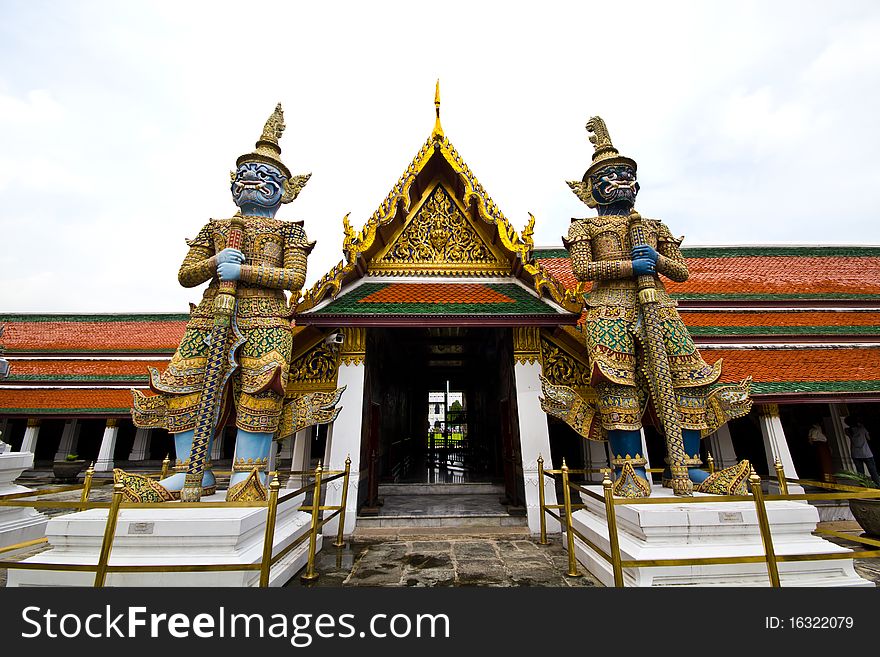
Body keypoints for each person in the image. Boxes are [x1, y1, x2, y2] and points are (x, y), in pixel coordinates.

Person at [557, 116, 751, 497]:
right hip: (608, 308)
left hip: (658, 305)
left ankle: (690, 467)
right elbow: (582, 269)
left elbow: (681, 272)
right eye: (610, 176)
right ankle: (631, 468)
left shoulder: (654, 227)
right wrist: (632, 266)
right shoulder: (586, 228)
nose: (622, 183)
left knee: (689, 380)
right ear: (592, 190)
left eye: (627, 175)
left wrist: (657, 262)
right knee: (617, 383)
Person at [130, 104, 314, 501]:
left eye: (265, 177)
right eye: (246, 175)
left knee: (262, 384)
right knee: (185, 384)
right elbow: (186, 275)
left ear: (287, 190)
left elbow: (294, 279)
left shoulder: (290, 232)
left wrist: (242, 272)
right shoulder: (214, 228)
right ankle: (190, 472)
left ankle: (247, 475)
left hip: (266, 318)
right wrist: (215, 262)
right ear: (234, 184)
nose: (253, 180)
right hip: (212, 314)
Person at [845, 415, 880, 486]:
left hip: (855, 453)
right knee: (873, 471)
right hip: (866, 453)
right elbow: (869, 438)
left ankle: (863, 486)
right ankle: (878, 485)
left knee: (860, 472)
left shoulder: (848, 430)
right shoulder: (862, 429)